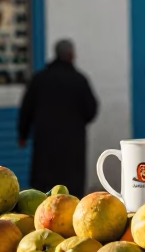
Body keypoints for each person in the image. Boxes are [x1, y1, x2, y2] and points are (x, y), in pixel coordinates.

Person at [18, 39, 98, 196]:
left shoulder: (40, 79)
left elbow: (26, 109)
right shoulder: (79, 80)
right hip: (73, 145)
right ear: (71, 56)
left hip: (45, 143)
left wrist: (23, 134)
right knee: (71, 190)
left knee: (43, 189)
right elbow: (91, 110)